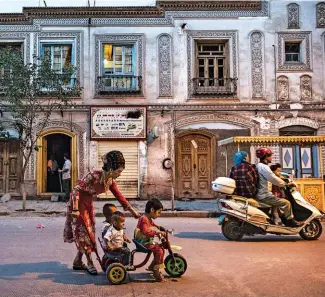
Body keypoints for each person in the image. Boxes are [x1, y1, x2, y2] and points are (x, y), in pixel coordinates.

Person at [63, 150, 140, 276]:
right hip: (77, 203)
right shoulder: (93, 175)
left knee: (89, 232)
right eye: (118, 171)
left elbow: (119, 196)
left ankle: (77, 261)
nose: (120, 174)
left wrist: (133, 211)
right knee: (85, 233)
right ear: (110, 169)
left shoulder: (109, 181)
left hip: (88, 203)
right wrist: (75, 209)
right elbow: (76, 190)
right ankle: (89, 263)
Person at [255, 148, 303, 228]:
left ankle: (280, 221)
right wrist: (286, 184)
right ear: (266, 156)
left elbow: (275, 177)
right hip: (264, 195)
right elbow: (273, 178)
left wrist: (284, 181)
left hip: (262, 193)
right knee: (286, 203)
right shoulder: (264, 167)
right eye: (270, 155)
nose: (271, 157)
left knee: (278, 205)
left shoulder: (260, 166)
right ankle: (290, 221)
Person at [134, 198, 166, 282]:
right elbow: (146, 231)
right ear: (152, 210)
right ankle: (155, 270)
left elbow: (152, 224)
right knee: (159, 250)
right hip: (142, 242)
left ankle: (153, 266)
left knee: (160, 248)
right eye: (158, 212)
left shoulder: (147, 218)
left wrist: (158, 227)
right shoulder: (144, 219)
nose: (159, 214)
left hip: (145, 240)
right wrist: (157, 232)